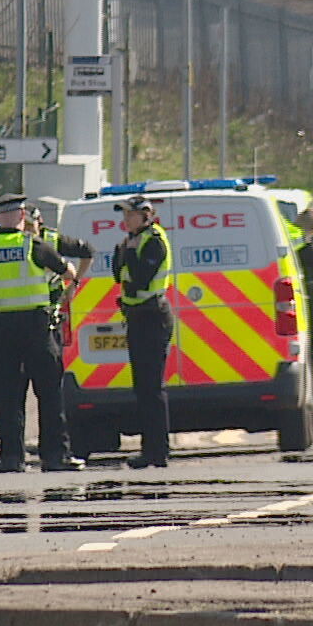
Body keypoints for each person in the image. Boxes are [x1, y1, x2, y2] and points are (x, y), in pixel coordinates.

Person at [0, 194, 79, 473]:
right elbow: (68, 271)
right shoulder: (33, 245)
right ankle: (55, 456)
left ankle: (11, 457)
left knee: (8, 395)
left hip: (1, 326)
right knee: (49, 393)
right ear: (22, 215)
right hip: (35, 326)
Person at [113, 194, 174, 469]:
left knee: (152, 387)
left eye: (130, 215)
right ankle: (149, 449)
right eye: (124, 215)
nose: (125, 220)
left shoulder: (154, 241)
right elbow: (118, 275)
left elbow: (139, 279)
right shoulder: (132, 241)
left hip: (152, 316)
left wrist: (128, 253)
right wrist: (123, 251)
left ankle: (158, 451)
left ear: (146, 216)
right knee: (142, 387)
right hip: (137, 317)